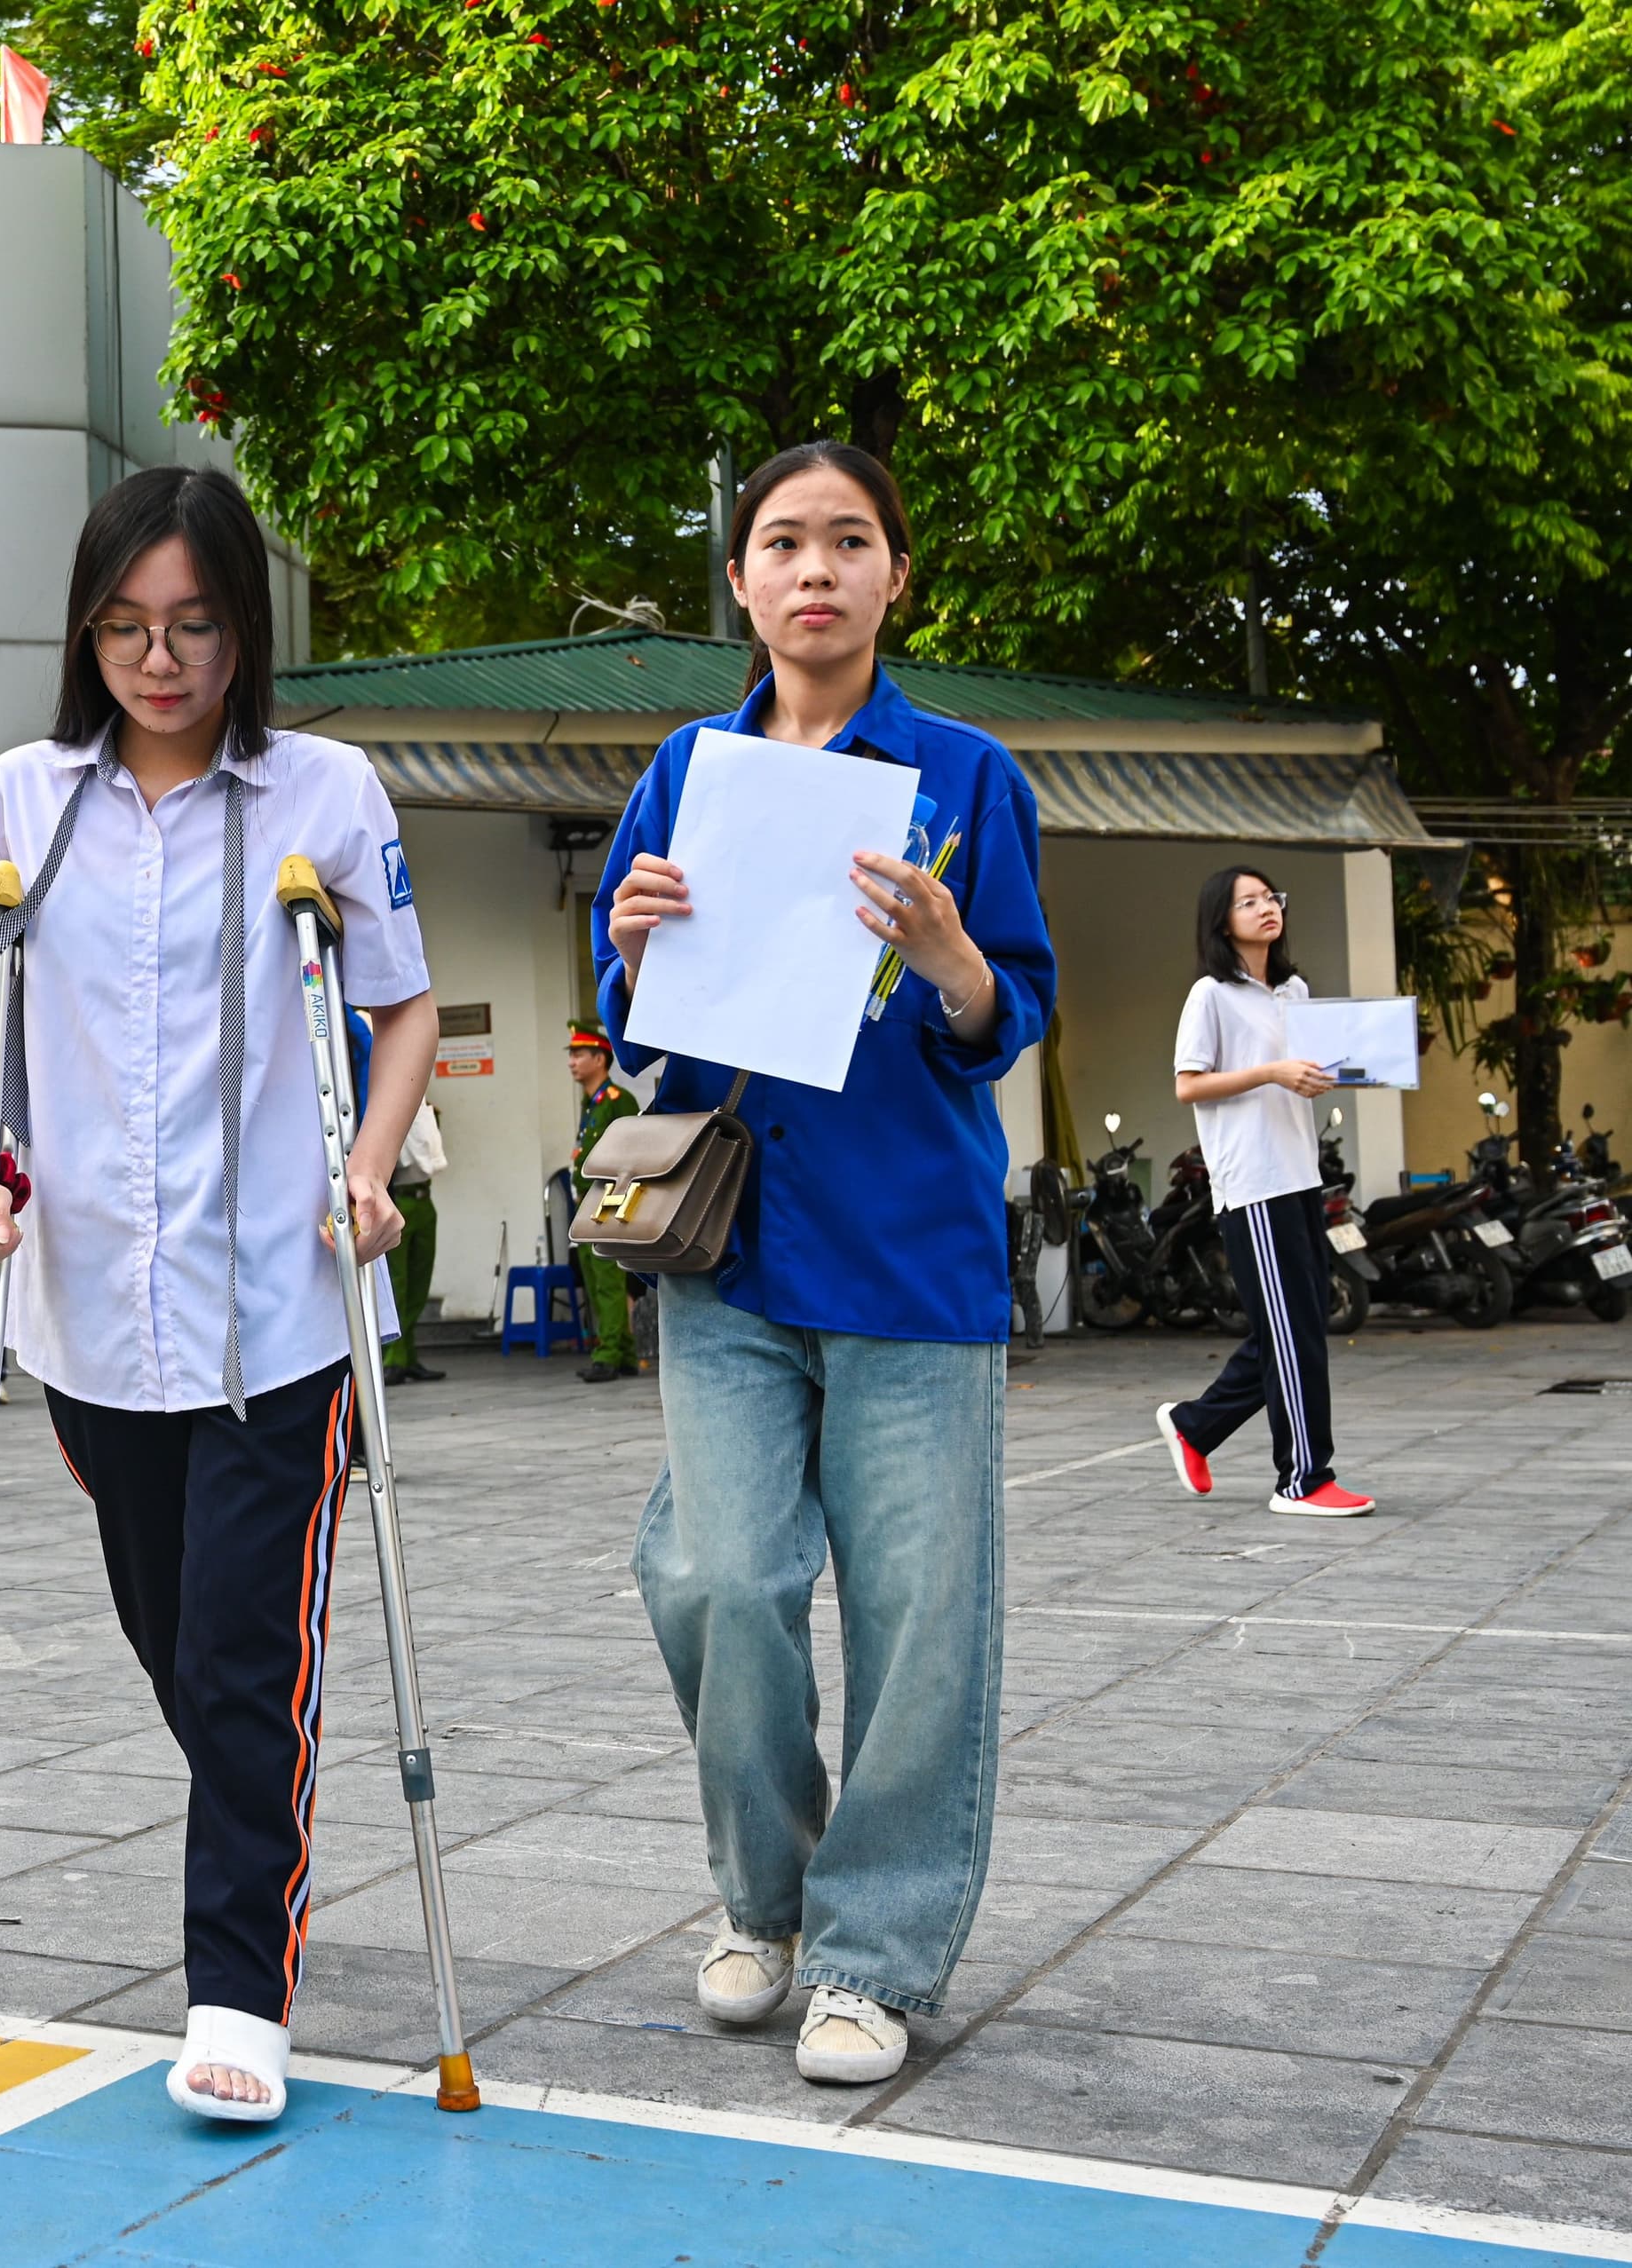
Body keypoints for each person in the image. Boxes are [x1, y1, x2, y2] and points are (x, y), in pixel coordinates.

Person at [0, 464, 439, 2125]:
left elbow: (403, 1007)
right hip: (89, 1315)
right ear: (89, 631)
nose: (161, 661)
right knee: (182, 1643)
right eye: (129, 628)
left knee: (241, 1649)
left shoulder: (326, 794)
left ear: (243, 630)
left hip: (275, 1309)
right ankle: (258, 1829)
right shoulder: (26, 802)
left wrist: (375, 1165)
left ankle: (237, 1989)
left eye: (196, 626)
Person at [594, 439, 1057, 2088]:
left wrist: (950, 963)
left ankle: (873, 1954)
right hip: (727, 1251)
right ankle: (764, 1898)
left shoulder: (965, 776)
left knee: (921, 1617)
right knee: (717, 1577)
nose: (814, 570)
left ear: (893, 577)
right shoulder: (687, 765)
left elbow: (1013, 1012)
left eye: (848, 542)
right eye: (782, 543)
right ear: (740, 580)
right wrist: (633, 937)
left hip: (910, 1259)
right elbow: (625, 991)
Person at [1159, 869, 1375, 1517]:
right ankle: (1303, 1479)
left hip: (1300, 1174)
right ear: (1223, 922)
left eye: (1271, 898)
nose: (1265, 909)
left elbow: (1301, 1070)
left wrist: (1326, 1073)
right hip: (1251, 1183)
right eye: (1247, 902)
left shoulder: (1294, 990)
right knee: (1290, 1333)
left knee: (1298, 1328)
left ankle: (1196, 1426)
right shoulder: (1210, 995)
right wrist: (1273, 1071)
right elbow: (1188, 1084)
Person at [566, 1026, 643, 1382]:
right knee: (595, 1277)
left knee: (608, 1279)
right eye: (571, 1054)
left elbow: (634, 1152)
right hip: (589, 1200)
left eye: (579, 1054)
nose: (572, 1062)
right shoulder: (591, 1103)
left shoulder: (617, 1100)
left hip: (610, 1199)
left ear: (600, 1059)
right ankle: (622, 1351)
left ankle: (608, 1353)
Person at [384, 1087, 447, 1386]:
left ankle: (408, 1356)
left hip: (424, 1202)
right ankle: (393, 1358)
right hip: (401, 1200)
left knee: (419, 1285)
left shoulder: (426, 1108)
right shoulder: (388, 1101)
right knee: (398, 1284)